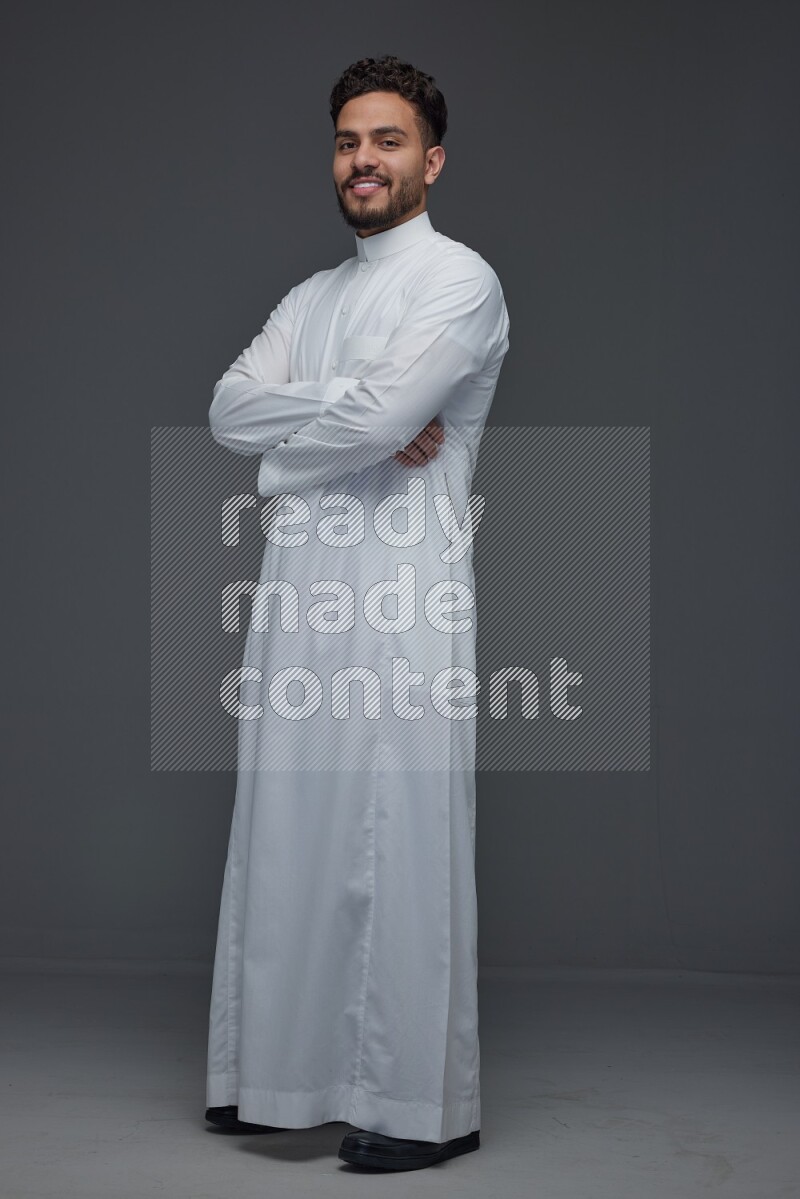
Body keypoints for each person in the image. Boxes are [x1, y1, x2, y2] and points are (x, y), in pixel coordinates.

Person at [205, 54, 510, 1173]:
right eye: (346, 140)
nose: (362, 159)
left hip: (400, 598)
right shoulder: (310, 297)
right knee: (286, 829)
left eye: (385, 140)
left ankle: (426, 1105)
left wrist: (294, 459)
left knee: (396, 840)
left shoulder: (459, 280)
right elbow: (229, 407)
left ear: (429, 158)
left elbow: (378, 416)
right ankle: (270, 1077)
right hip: (295, 595)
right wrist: (355, 418)